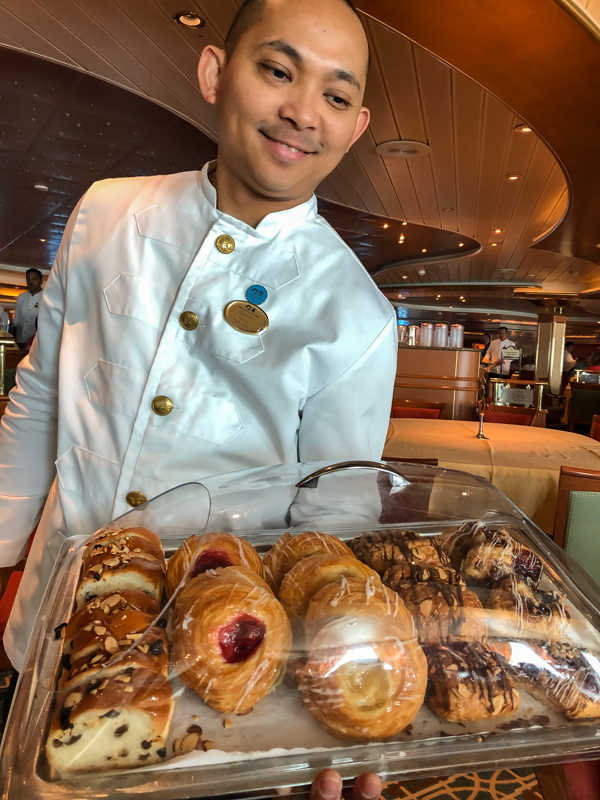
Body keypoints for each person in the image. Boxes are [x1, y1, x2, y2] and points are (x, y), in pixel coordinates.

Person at [0, 0, 397, 673]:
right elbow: (41, 395)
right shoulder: (106, 210)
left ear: (355, 127)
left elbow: (334, 518)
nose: (303, 112)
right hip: (52, 615)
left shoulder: (358, 314)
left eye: (335, 96)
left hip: (211, 662)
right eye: (278, 71)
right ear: (215, 73)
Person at [10, 268, 43, 349]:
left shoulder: (47, 297)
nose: (31, 282)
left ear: (41, 281)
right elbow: (16, 320)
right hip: (20, 340)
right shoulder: (21, 297)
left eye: (34, 279)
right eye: (28, 279)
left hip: (37, 342)